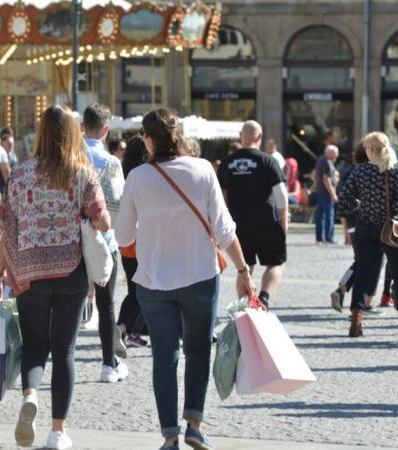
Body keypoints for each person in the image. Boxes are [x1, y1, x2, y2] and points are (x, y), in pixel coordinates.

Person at [116, 108, 254, 450]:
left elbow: (122, 237)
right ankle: (194, 424)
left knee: (164, 357)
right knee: (197, 350)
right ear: (177, 135)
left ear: (148, 139)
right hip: (200, 276)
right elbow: (224, 230)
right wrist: (243, 270)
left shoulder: (137, 178)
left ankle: (169, 437)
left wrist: (153, 228)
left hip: (153, 280)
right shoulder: (203, 169)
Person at [0, 105, 110, 449]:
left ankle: (30, 396)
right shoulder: (82, 172)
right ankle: (58, 432)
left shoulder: (20, 173)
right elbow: (101, 220)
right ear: (73, 134)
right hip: (71, 270)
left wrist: (3, 270)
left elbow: (5, 223)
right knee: (65, 350)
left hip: (30, 272)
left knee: (35, 347)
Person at [338, 132, 398, 337]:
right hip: (389, 228)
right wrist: (392, 213)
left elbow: (344, 199)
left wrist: (359, 208)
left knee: (364, 272)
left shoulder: (360, 171)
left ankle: (356, 322)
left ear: (371, 150)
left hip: (365, 227)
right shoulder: (394, 169)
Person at [218, 120, 287, 307]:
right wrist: (283, 222)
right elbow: (281, 194)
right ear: (260, 136)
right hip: (266, 221)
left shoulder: (226, 163)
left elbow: (220, 197)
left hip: (237, 223)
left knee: (244, 268)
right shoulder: (268, 160)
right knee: (275, 263)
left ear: (241, 136)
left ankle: (244, 305)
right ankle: (263, 298)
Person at [82, 103, 129, 382]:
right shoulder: (111, 162)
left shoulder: (70, 157)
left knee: (70, 301)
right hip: (104, 238)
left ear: (82, 126)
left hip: (73, 237)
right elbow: (118, 203)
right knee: (106, 303)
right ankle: (108, 363)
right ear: (105, 129)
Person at [331, 141, 383, 313]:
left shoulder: (350, 173)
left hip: (354, 224)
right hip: (367, 224)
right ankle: (364, 301)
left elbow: (342, 200)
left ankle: (343, 289)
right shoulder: (370, 173)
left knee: (361, 261)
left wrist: (346, 228)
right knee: (372, 262)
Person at [116, 135, 149, 347]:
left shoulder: (124, 174)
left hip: (126, 242)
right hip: (142, 241)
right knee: (138, 292)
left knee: (135, 290)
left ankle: (130, 330)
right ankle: (120, 328)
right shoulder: (144, 176)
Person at [313, 144, 339, 244]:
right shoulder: (327, 162)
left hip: (320, 191)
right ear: (330, 152)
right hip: (326, 192)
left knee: (320, 215)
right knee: (329, 215)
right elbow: (326, 179)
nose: (337, 156)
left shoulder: (321, 160)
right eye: (335, 153)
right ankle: (329, 237)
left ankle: (319, 237)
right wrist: (333, 194)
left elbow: (315, 175)